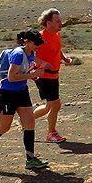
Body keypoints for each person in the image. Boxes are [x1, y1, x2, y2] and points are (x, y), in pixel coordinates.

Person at [0, 30, 50, 171]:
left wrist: (34, 76)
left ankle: (30, 159)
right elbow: (11, 77)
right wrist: (34, 74)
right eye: (36, 43)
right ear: (27, 41)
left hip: (22, 92)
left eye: (40, 43)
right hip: (8, 94)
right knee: (4, 127)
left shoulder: (30, 53)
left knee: (29, 123)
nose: (38, 45)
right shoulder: (18, 54)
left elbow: (23, 72)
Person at [32, 8, 73, 143]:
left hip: (54, 74)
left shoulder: (56, 35)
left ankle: (27, 121)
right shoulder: (39, 37)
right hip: (43, 75)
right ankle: (51, 133)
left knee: (50, 106)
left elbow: (57, 50)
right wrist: (42, 62)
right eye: (57, 21)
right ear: (48, 23)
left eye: (60, 21)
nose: (60, 24)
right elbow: (28, 54)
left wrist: (65, 58)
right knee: (55, 104)